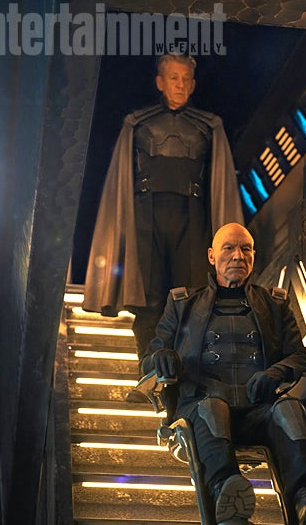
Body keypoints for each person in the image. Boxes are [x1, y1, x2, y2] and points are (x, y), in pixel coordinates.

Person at [141, 222, 306, 525]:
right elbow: (150, 358)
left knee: (289, 409)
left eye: (246, 249)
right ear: (212, 256)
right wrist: (162, 358)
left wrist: (276, 372)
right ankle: (226, 498)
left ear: (253, 255)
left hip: (257, 410)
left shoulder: (275, 304)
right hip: (202, 408)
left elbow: (300, 356)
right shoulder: (182, 303)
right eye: (229, 248)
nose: (238, 256)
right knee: (213, 408)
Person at [82, 54, 244, 360]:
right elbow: (120, 182)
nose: (180, 85)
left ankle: (183, 372)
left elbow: (219, 184)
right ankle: (148, 372)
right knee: (149, 301)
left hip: (191, 218)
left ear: (193, 85)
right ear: (160, 82)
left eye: (185, 79)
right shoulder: (138, 124)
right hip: (146, 218)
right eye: (173, 78)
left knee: (190, 298)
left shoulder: (208, 127)